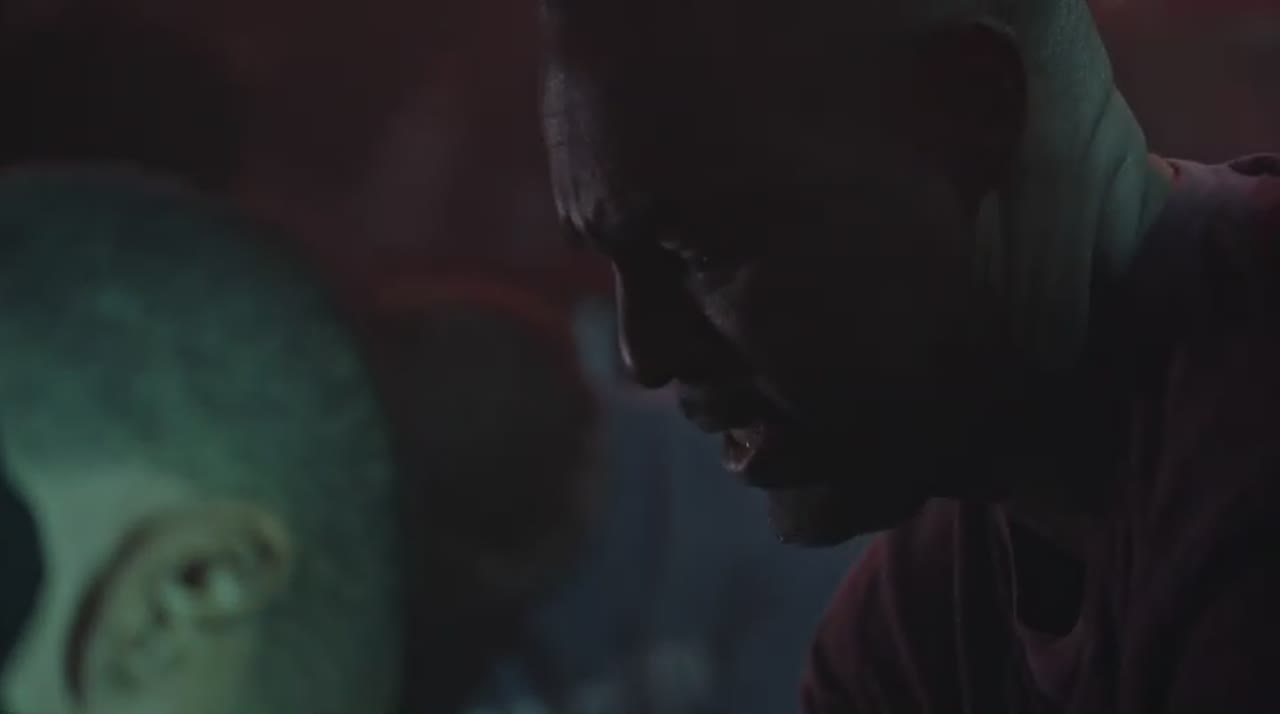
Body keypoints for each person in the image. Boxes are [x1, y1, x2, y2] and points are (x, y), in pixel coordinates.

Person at [538, 0, 1280, 710]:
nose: (645, 354)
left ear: (971, 110)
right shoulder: (907, 630)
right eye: (616, 261)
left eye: (702, 249)